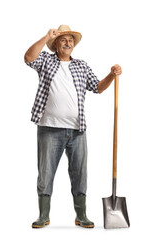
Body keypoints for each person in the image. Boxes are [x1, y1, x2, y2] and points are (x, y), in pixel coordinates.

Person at [24, 25, 122, 229]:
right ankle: (43, 215)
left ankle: (81, 215)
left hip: (77, 130)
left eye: (71, 40)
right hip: (49, 128)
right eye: (63, 40)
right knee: (46, 173)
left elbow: (97, 87)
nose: (68, 43)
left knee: (79, 173)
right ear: (56, 45)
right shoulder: (46, 61)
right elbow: (29, 58)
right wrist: (45, 37)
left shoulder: (81, 66)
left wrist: (111, 75)